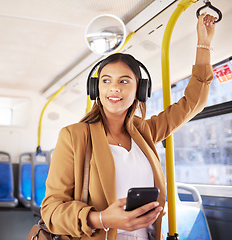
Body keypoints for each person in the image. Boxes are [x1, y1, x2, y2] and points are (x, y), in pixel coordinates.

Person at [41, 12, 217, 240]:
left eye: (124, 81)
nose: (114, 88)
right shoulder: (74, 136)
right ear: (97, 90)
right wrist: (102, 218)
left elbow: (194, 102)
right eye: (106, 81)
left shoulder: (145, 132)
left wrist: (204, 43)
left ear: (139, 92)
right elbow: (51, 210)